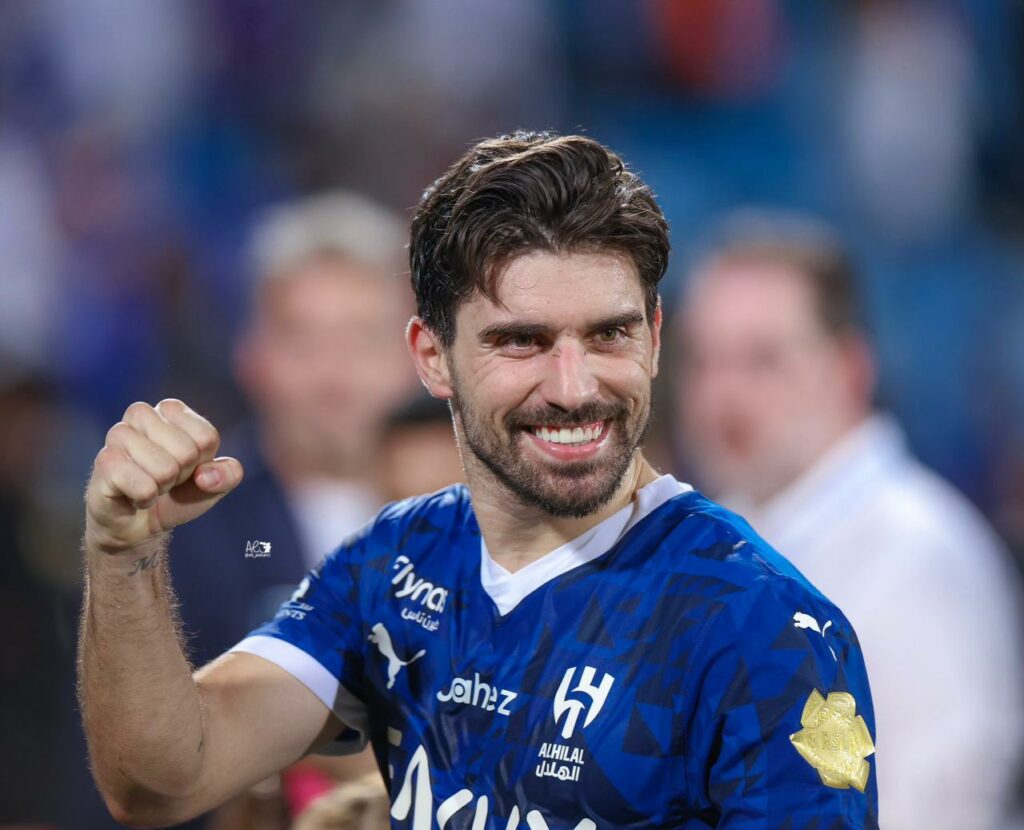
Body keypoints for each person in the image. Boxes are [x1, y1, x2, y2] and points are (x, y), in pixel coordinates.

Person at [78, 133, 879, 829]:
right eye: (522, 341)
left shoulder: (763, 628)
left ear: (656, 336)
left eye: (609, 334)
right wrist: (121, 554)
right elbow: (162, 778)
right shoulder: (396, 564)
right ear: (431, 357)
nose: (574, 386)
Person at [673, 212, 1024, 830]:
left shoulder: (917, 559)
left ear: (850, 369)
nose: (721, 395)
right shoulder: (717, 542)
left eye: (763, 360)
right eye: (703, 361)